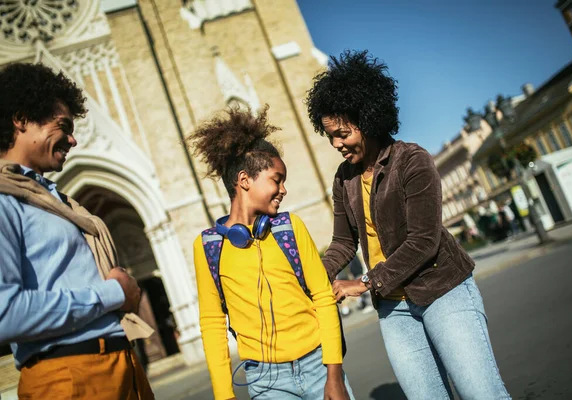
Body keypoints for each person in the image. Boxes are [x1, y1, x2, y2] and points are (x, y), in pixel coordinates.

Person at [305, 50, 511, 399]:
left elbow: (424, 240)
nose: (336, 144)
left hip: (442, 290)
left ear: (367, 120)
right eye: (330, 137)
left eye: (342, 133)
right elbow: (343, 243)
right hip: (393, 308)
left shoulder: (412, 160)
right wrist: (311, 275)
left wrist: (365, 282)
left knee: (482, 393)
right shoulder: (344, 179)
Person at [0, 63, 154, 399]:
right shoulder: (4, 200)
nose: (73, 139)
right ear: (22, 119)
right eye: (64, 127)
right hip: (69, 378)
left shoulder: (51, 197)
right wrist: (113, 293)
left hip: (120, 366)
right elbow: (4, 313)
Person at [190, 107, 354, 400]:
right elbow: (212, 323)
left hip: (319, 365)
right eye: (276, 180)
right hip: (265, 381)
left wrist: (334, 376)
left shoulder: (290, 227)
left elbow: (323, 298)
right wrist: (224, 396)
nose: (284, 189)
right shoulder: (208, 247)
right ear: (244, 180)